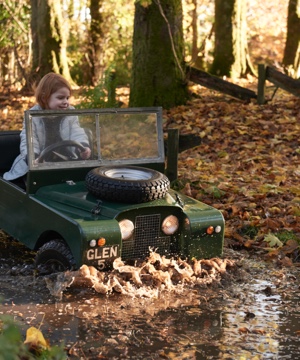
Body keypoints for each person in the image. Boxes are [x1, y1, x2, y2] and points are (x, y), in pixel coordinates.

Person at [3, 73, 91, 181]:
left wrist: (82, 146)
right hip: (38, 162)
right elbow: (29, 140)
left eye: (67, 98)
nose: (66, 102)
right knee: (31, 180)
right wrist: (33, 158)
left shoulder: (70, 113)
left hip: (65, 160)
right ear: (45, 98)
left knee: (87, 177)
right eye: (60, 98)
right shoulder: (32, 115)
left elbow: (77, 131)